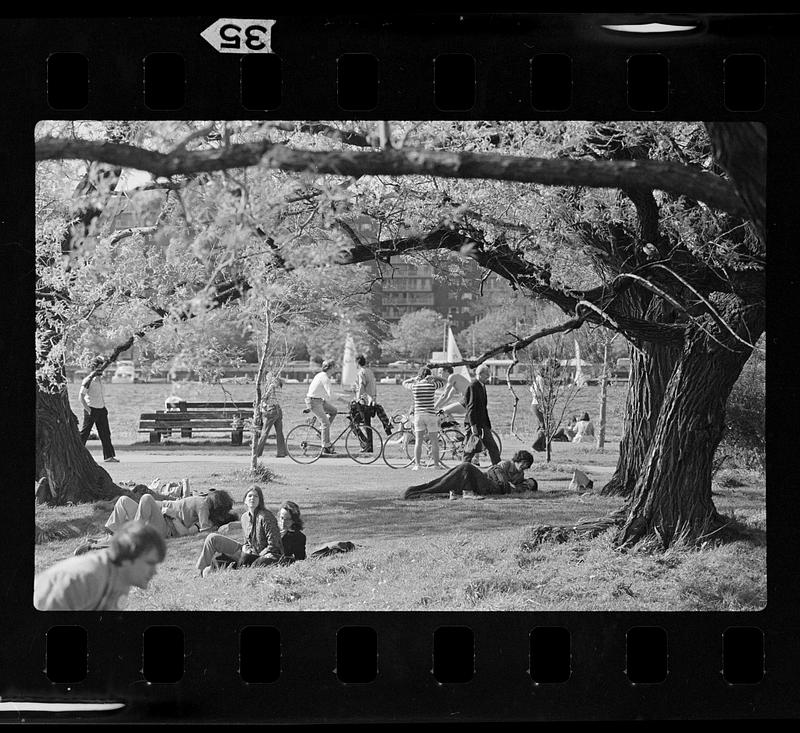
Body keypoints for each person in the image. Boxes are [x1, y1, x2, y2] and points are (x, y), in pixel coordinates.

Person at [34, 520, 166, 610]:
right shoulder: (87, 578)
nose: (155, 571)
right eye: (150, 563)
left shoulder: (121, 578)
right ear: (127, 557)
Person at [196, 485, 284, 576]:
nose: (252, 498)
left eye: (256, 496)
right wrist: (245, 547)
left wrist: (260, 554)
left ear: (260, 500)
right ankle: (200, 572)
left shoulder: (266, 517)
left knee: (210, 571)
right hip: (247, 551)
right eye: (249, 496)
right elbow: (247, 541)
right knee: (212, 538)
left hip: (261, 557)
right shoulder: (244, 517)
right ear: (245, 500)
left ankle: (210, 571)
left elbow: (274, 544)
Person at [404, 450, 537, 500]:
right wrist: (506, 482)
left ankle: (425, 490)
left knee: (466, 467)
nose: (525, 467)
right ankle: (425, 489)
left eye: (527, 465)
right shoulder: (506, 464)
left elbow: (514, 487)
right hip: (486, 481)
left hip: (489, 486)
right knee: (462, 469)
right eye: (524, 463)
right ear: (519, 460)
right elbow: (494, 472)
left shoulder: (520, 476)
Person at [104, 489, 234, 539]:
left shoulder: (203, 505)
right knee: (123, 500)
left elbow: (205, 529)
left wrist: (219, 527)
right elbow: (205, 527)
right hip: (153, 514)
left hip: (165, 524)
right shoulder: (203, 503)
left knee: (147, 497)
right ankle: (112, 531)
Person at [402, 367, 446, 470]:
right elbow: (445, 381)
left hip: (418, 416)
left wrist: (413, 378)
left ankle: (417, 465)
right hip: (430, 415)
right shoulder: (432, 385)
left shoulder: (415, 386)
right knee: (434, 441)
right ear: (429, 375)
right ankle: (436, 465)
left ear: (420, 375)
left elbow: (404, 383)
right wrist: (434, 377)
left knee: (418, 441)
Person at [78, 355, 118, 463]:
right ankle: (77, 455)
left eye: (102, 367)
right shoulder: (88, 380)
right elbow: (80, 397)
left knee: (105, 434)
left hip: (101, 410)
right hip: (91, 410)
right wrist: (89, 410)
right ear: (94, 368)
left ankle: (109, 457)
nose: (101, 370)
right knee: (84, 434)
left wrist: (104, 407)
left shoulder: (100, 380)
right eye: (99, 367)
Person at [463, 364, 502, 465]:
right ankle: (463, 470)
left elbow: (483, 407)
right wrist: (473, 426)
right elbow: (470, 407)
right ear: (480, 374)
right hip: (475, 423)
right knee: (470, 450)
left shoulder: (482, 386)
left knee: (493, 447)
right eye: (487, 375)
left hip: (483, 423)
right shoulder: (473, 386)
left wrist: (487, 425)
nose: (488, 377)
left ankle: (497, 469)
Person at [306, 360, 338, 454]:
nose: (335, 369)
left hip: (319, 400)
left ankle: (321, 432)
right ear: (330, 368)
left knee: (334, 411)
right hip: (314, 402)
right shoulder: (324, 378)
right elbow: (331, 395)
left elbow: (326, 394)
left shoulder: (321, 375)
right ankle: (326, 447)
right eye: (334, 367)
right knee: (326, 423)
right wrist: (345, 400)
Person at [255, 370, 288, 458]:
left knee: (264, 432)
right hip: (278, 410)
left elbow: (265, 398)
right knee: (279, 433)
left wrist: (261, 401)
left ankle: (257, 452)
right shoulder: (279, 385)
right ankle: (281, 453)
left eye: (267, 378)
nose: (266, 379)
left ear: (270, 377)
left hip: (271, 410)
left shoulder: (272, 386)